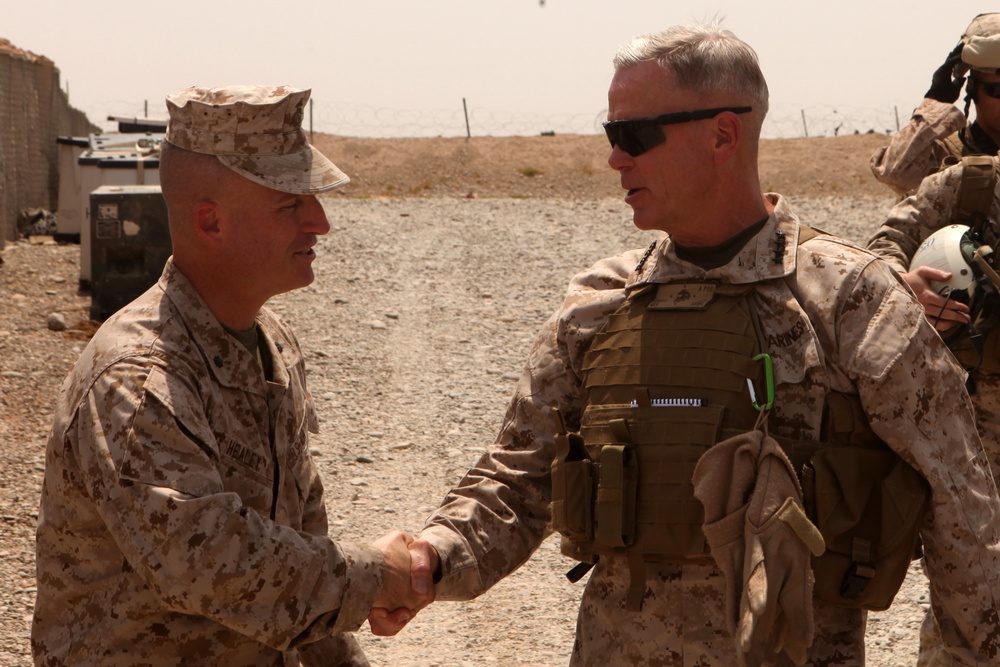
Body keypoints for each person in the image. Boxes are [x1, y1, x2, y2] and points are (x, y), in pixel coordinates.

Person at [370, 24, 1000, 665]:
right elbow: (520, 477)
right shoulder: (601, 301)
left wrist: (973, 652)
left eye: (634, 136)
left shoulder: (851, 300)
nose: (616, 158)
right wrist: (433, 557)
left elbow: (961, 503)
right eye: (610, 134)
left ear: (723, 134)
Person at [31, 85, 428, 666]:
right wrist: (372, 577)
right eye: (289, 204)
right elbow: (208, 564)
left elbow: (301, 540)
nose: (319, 222)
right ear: (211, 222)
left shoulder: (271, 346)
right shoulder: (139, 379)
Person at [869, 155, 1000, 666]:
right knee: (968, 595)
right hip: (976, 431)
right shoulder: (973, 185)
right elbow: (879, 253)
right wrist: (908, 287)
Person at [871, 13, 1000, 197]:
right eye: (997, 91)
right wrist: (937, 100)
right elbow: (893, 173)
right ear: (972, 89)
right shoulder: (945, 155)